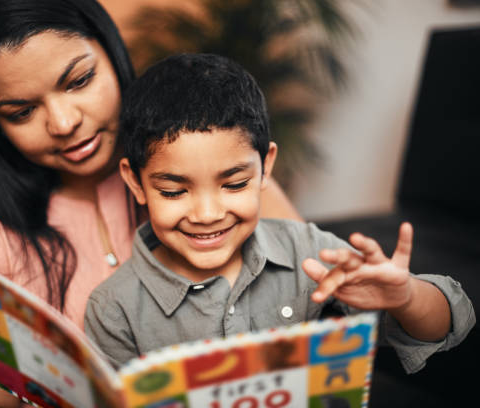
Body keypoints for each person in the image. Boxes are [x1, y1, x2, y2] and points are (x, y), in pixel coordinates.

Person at [0, 1, 301, 406]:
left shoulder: (188, 144)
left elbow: (307, 295)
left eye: (79, 80)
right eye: (22, 112)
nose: (63, 122)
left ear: (110, 50)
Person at [84, 53, 475, 369]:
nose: (206, 213)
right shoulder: (113, 309)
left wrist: (407, 297)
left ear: (265, 167)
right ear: (135, 183)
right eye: (173, 191)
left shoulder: (307, 251)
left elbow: (446, 327)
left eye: (234, 184)